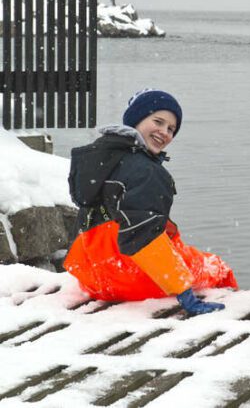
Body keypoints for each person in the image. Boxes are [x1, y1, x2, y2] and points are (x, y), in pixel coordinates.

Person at [64, 89, 238, 315]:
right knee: (217, 268)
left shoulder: (102, 156)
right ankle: (230, 311)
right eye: (158, 121)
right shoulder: (146, 171)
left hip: (92, 276)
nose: (164, 132)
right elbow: (144, 238)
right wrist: (183, 289)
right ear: (137, 119)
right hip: (130, 276)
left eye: (171, 129)